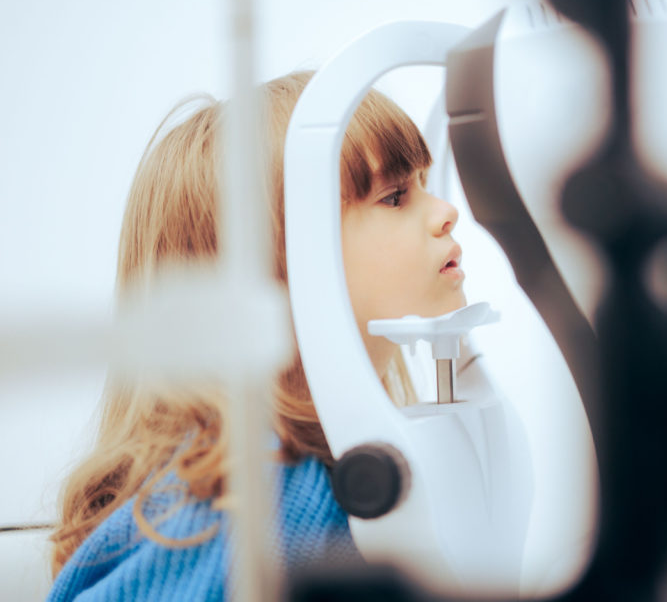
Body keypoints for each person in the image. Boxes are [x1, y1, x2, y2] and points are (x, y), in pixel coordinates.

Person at [47, 70, 467, 600]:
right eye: (395, 196)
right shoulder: (266, 496)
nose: (446, 213)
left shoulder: (314, 466)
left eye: (425, 185)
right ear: (280, 265)